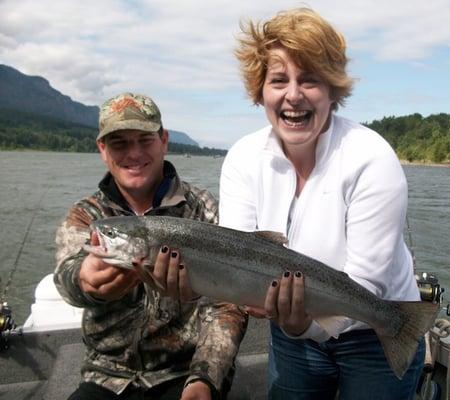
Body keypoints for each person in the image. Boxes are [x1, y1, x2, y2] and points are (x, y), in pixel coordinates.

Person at [219, 8, 424, 400]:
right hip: (291, 337)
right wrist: (194, 285)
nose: (293, 95)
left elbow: (367, 284)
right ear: (260, 90)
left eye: (310, 80)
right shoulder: (243, 158)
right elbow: (236, 255)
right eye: (279, 80)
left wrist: (305, 326)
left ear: (332, 91)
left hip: (378, 329)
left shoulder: (371, 158)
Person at [54, 92, 247, 400]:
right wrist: (85, 283)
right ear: (102, 149)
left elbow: (226, 304)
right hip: (107, 375)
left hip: (184, 371)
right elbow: (67, 277)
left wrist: (205, 377)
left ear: (164, 141)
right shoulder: (88, 216)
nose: (134, 153)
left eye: (144, 140)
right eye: (119, 143)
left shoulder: (202, 208)